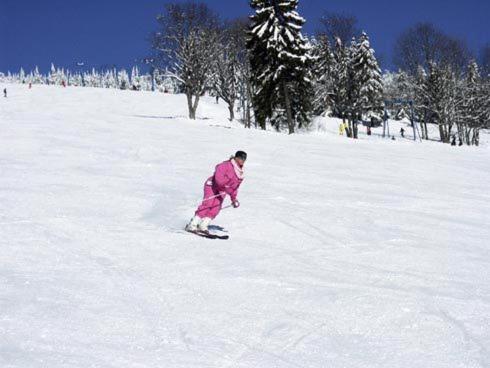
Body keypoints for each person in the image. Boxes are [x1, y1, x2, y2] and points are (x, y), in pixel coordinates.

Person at [186, 151, 246, 232]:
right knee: (208, 203)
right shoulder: (225, 165)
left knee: (216, 207)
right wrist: (225, 187)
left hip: (222, 190)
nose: (242, 160)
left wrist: (234, 199)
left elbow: (234, 187)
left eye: (244, 159)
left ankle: (203, 225)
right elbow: (218, 179)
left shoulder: (240, 173)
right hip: (212, 186)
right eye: (241, 158)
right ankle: (193, 224)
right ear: (236, 157)